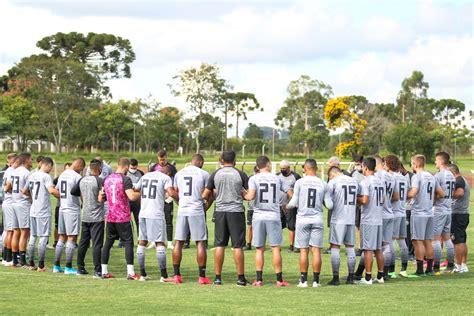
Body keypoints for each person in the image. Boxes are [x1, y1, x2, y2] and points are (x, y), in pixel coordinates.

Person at [202, 150, 250, 286]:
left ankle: (217, 278)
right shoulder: (240, 174)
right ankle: (240, 278)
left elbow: (205, 194)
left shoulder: (216, 174)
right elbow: (248, 194)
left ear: (222, 160)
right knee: (238, 246)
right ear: (235, 160)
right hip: (236, 212)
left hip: (221, 212)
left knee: (220, 245)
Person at [244, 156, 289, 287]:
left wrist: (244, 195)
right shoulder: (276, 178)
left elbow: (250, 196)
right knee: (275, 248)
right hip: (273, 215)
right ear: (268, 165)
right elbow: (288, 191)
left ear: (257, 167)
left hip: (258, 215)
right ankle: (279, 280)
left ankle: (259, 279)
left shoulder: (254, 178)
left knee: (259, 249)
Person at [287, 159, 332, 288]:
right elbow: (329, 205)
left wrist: (286, 206)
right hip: (317, 218)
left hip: (302, 219)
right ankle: (316, 281)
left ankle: (303, 280)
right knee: (316, 250)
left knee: (303, 251)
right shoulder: (323, 183)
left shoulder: (300, 182)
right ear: (316, 168)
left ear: (305, 169)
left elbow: (293, 201)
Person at [170, 154, 212, 284]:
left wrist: (180, 202)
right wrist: (206, 206)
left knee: (179, 242)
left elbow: (174, 192)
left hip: (183, 210)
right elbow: (209, 193)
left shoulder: (179, 173)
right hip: (196, 209)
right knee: (200, 242)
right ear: (200, 162)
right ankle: (202, 276)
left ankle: (176, 275)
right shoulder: (204, 174)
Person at [134, 160, 176, 282]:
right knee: (159, 243)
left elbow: (136, 188)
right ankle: (164, 275)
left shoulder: (146, 176)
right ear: (168, 173)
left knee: (142, 242)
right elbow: (171, 192)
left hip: (143, 213)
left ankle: (142, 274)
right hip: (155, 213)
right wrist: (180, 199)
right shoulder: (165, 178)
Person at [100, 158, 140, 280]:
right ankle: (131, 272)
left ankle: (104, 271)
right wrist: (141, 193)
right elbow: (132, 196)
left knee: (107, 243)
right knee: (128, 243)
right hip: (122, 217)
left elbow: (101, 198)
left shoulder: (106, 179)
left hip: (111, 216)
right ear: (127, 167)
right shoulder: (125, 179)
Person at [407, 154, 443, 277]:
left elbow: (414, 192)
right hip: (429, 212)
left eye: (412, 164)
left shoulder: (417, 176)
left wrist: (404, 196)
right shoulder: (431, 176)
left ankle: (419, 270)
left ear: (415, 164)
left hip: (419, 213)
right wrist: (430, 200)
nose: (412, 166)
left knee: (417, 241)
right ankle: (429, 269)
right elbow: (441, 193)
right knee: (428, 241)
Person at [71, 159, 105, 277]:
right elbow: (102, 198)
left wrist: (84, 198)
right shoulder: (99, 180)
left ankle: (80, 268)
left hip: (85, 216)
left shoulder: (82, 179)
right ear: (99, 169)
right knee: (97, 244)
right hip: (97, 217)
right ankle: (97, 270)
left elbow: (73, 191)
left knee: (83, 243)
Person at [24, 157, 59, 271]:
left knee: (33, 236)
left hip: (33, 209)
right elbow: (52, 191)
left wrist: (32, 198)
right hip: (43, 210)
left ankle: (31, 263)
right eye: (51, 167)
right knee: (43, 237)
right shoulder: (46, 176)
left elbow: (24, 191)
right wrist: (62, 196)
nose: (50, 169)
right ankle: (41, 265)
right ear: (47, 165)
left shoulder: (32, 174)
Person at [354, 157, 385, 285]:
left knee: (367, 249)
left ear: (365, 167)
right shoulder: (380, 181)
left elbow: (365, 200)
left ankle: (367, 278)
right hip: (378, 218)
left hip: (369, 219)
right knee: (378, 249)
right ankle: (381, 276)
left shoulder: (365, 182)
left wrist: (356, 199)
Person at [326, 166, 358, 286]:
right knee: (350, 247)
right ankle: (350, 277)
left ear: (332, 174)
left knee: (335, 247)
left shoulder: (333, 182)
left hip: (338, 218)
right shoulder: (354, 181)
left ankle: (336, 277)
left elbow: (329, 203)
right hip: (351, 217)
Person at [53, 158, 85, 274]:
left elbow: (56, 191)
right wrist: (84, 203)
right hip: (72, 209)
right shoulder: (76, 177)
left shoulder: (62, 175)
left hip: (62, 208)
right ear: (79, 166)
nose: (81, 171)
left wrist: (63, 199)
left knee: (62, 237)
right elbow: (82, 193)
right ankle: (68, 267)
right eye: (81, 169)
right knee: (72, 237)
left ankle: (56, 266)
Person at [384, 155, 409, 277]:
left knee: (390, 241)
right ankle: (404, 269)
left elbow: (393, 196)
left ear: (388, 165)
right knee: (402, 240)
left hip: (393, 212)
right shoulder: (404, 178)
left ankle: (391, 270)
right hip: (402, 211)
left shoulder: (390, 177)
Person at [374, 155, 399, 280]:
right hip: (390, 212)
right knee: (387, 244)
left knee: (375, 246)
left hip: (380, 214)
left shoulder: (377, 176)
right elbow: (396, 196)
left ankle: (380, 273)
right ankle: (386, 273)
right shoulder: (391, 177)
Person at [432, 152, 456, 274]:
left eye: (436, 160)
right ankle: (450, 266)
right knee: (447, 239)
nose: (435, 162)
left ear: (441, 161)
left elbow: (436, 194)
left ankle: (436, 267)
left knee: (435, 239)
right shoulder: (452, 175)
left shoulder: (438, 176)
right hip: (448, 210)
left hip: (439, 210)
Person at [7, 152, 33, 267]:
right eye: (31, 159)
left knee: (16, 232)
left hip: (13, 203)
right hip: (23, 204)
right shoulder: (27, 173)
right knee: (24, 232)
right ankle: (22, 260)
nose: (32, 161)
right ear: (26, 160)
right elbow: (28, 190)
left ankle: (14, 259)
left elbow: (8, 187)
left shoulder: (14, 171)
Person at [149, 150, 178, 250]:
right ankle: (153, 241)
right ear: (158, 158)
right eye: (160, 160)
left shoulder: (172, 168)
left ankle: (169, 242)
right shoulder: (153, 168)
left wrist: (172, 194)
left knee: (168, 220)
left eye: (163, 159)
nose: (161, 161)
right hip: (157, 198)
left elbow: (176, 180)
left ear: (166, 157)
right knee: (155, 220)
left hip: (168, 198)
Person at [448, 164, 470, 273]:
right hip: (463, 214)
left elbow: (460, 193)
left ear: (452, 172)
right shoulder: (463, 179)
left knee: (457, 241)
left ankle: (459, 265)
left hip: (458, 214)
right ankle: (464, 265)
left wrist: (448, 195)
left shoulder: (459, 180)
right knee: (462, 240)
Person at [277, 160, 300, 253]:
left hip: (291, 205)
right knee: (278, 226)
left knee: (291, 226)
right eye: (281, 168)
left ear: (289, 168)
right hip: (279, 204)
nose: (282, 170)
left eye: (284, 168)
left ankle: (291, 246)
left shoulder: (296, 176)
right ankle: (277, 245)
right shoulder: (277, 176)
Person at [1, 153, 17, 266]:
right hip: (10, 202)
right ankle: (8, 258)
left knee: (8, 230)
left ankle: (6, 257)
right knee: (10, 231)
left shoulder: (8, 170)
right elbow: (7, 187)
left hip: (7, 202)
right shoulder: (12, 171)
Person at [52, 162, 72, 249]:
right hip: (59, 205)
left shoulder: (73, 178)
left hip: (69, 205)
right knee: (57, 224)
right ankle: (56, 241)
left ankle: (68, 241)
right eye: (66, 168)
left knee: (68, 225)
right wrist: (60, 197)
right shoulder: (58, 179)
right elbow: (53, 189)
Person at [244, 166, 259, 251]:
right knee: (250, 226)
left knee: (260, 227)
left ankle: (261, 244)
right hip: (251, 207)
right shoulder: (250, 179)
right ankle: (248, 243)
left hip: (260, 208)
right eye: (256, 171)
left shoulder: (262, 179)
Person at [127, 159, 144, 234]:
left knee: (139, 221)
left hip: (137, 201)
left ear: (137, 166)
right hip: (127, 201)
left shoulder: (141, 173)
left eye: (134, 168)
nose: (133, 170)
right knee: (126, 222)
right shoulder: (125, 173)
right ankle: (123, 241)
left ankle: (140, 239)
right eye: (131, 168)